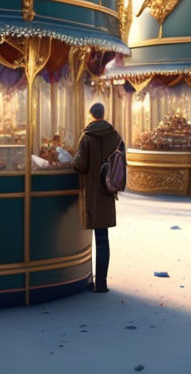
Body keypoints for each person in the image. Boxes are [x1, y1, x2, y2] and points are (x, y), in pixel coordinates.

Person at [72, 102, 125, 293]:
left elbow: (80, 165)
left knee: (88, 237)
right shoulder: (115, 136)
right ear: (103, 114)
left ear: (91, 114)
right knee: (103, 238)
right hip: (107, 192)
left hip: (92, 192)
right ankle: (101, 282)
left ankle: (87, 278)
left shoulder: (86, 137)